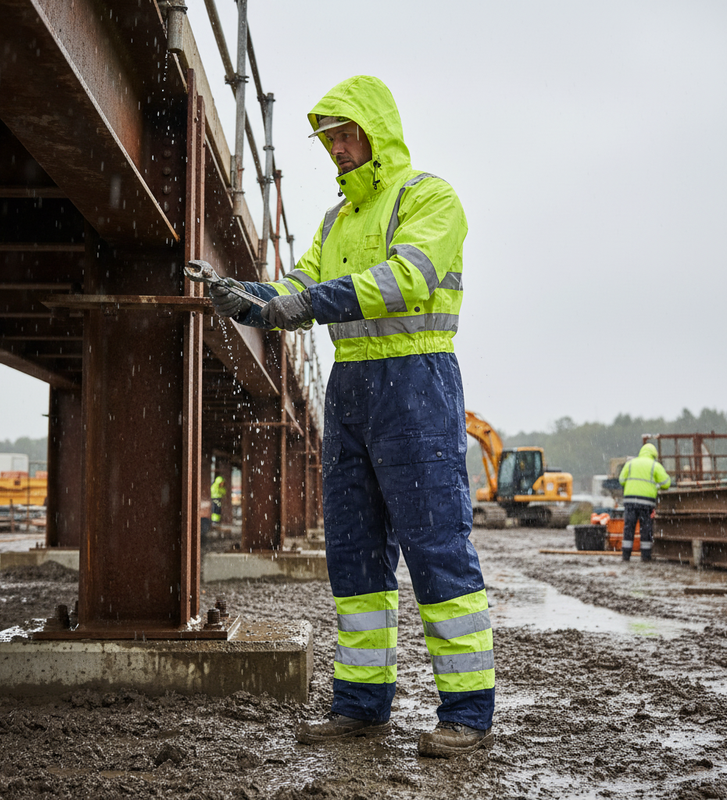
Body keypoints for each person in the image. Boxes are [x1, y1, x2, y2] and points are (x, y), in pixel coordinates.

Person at [207, 75, 494, 758]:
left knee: (436, 550)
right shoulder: (337, 221)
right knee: (354, 554)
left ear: (375, 129)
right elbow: (299, 286)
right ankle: (362, 705)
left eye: (345, 133)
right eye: (328, 138)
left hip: (417, 383)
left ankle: (467, 714)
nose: (336, 147)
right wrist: (245, 297)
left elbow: (409, 276)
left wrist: (304, 306)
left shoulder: (428, 196)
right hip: (352, 392)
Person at [617, 443, 671, 562]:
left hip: (630, 501)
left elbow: (621, 480)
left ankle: (626, 556)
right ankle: (646, 556)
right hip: (646, 503)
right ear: (654, 455)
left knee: (629, 528)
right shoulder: (655, 466)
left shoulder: (630, 463)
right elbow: (667, 483)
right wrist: (655, 486)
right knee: (646, 529)